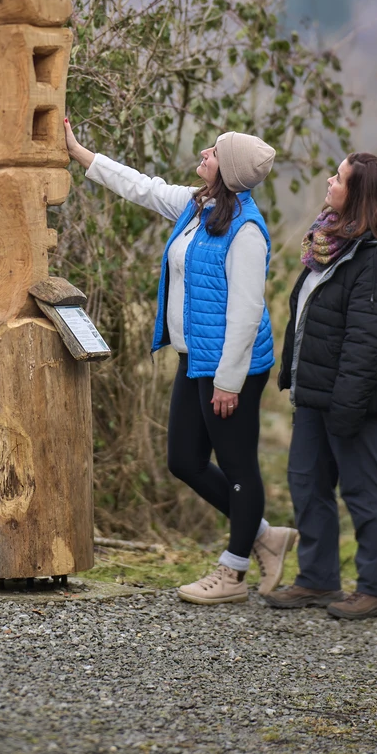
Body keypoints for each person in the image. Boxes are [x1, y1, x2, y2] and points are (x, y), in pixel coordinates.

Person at [64, 118, 298, 605]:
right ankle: (264, 536)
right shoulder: (198, 208)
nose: (204, 153)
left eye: (213, 151)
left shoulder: (247, 232)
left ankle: (232, 574)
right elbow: (143, 189)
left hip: (232, 369)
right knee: (184, 460)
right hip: (196, 358)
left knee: (237, 467)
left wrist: (230, 382)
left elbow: (247, 312)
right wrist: (81, 154)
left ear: (227, 170)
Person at [264, 152, 377, 621]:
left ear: (359, 195)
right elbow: (312, 318)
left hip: (358, 399)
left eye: (339, 177)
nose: (329, 181)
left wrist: (347, 407)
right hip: (317, 392)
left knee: (364, 489)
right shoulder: (334, 244)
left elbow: (367, 343)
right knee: (307, 483)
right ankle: (317, 579)